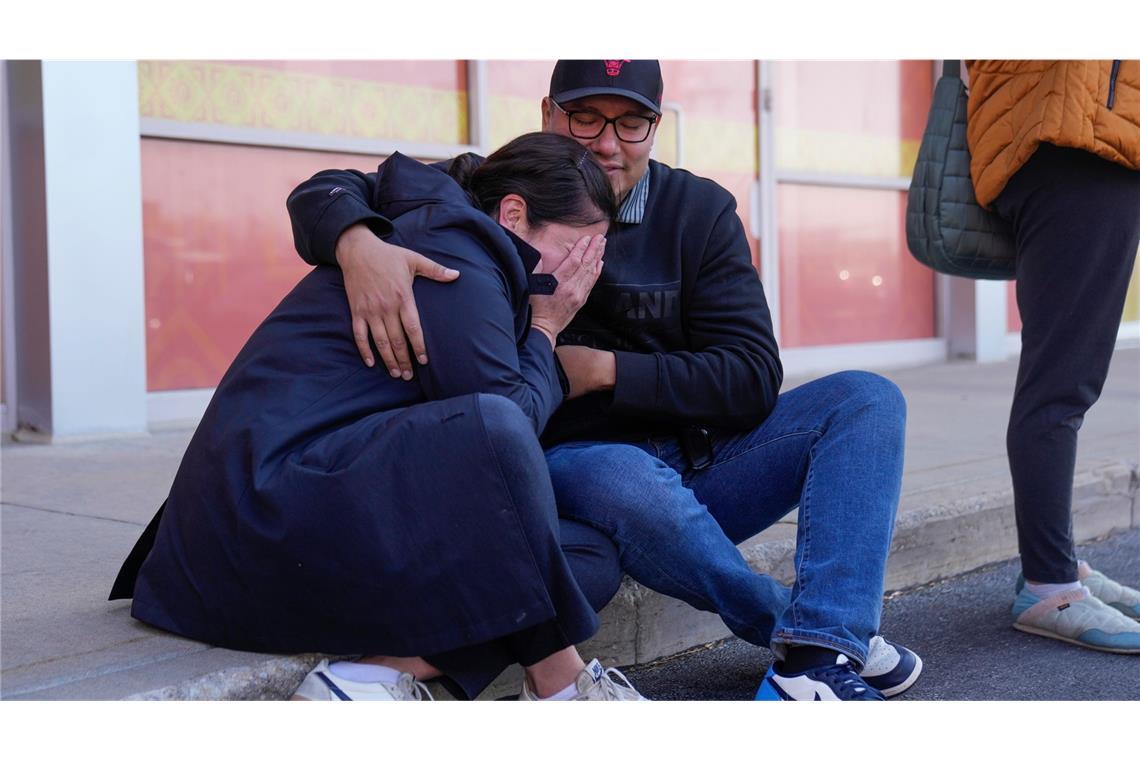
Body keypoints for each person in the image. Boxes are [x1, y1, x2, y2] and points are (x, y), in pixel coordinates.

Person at [285, 60, 923, 700]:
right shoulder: (501, 185)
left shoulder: (698, 211)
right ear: (547, 114)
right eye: (585, 116)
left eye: (631, 122)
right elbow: (326, 189)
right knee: (615, 487)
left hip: (699, 468)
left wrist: (601, 372)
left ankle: (815, 657)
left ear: (656, 125)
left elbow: (753, 377)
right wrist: (356, 241)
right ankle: (817, 641)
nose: (607, 142)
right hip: (563, 469)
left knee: (866, 400)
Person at [109, 132, 648, 701]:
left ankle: (370, 674)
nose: (585, 272)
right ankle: (560, 684)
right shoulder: (456, 251)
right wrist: (546, 328)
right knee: (498, 430)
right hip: (265, 522)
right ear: (514, 213)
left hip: (336, 498)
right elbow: (507, 422)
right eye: (580, 247)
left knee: (586, 559)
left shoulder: (464, 227)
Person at [966, 60, 1140, 652]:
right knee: (1061, 386)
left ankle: (1055, 565)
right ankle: (1049, 586)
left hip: (1070, 134)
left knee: (1061, 381)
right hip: (1080, 138)